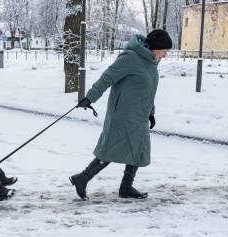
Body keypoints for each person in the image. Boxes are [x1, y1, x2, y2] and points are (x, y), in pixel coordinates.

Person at [70, 29, 172, 200]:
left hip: (140, 115)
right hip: (124, 114)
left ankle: (126, 187)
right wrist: (90, 97)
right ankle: (82, 178)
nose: (165, 55)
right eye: (164, 50)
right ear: (155, 47)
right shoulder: (131, 58)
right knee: (112, 149)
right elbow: (107, 77)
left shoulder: (151, 63)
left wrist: (151, 112)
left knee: (139, 150)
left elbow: (149, 91)